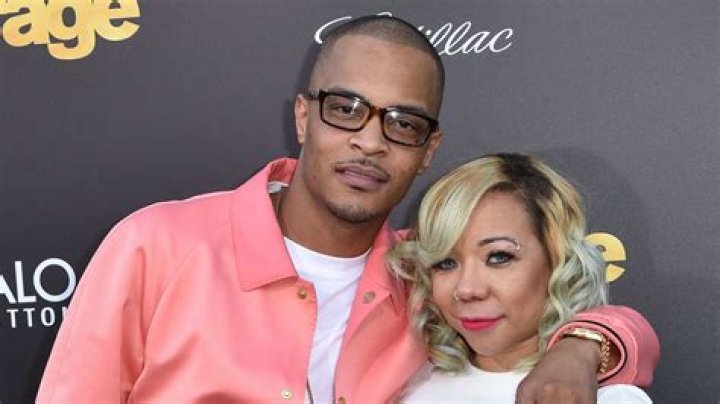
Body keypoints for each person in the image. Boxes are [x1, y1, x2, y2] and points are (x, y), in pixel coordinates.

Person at [37, 15, 658, 403]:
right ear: (303, 117)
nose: (370, 140)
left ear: (427, 150)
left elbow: (616, 322)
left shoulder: (426, 275)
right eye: (345, 109)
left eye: (402, 122)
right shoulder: (156, 244)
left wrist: (581, 346)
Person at [390, 153, 657, 402]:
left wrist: (583, 346)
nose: (467, 289)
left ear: (557, 258)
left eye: (498, 257)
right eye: (445, 263)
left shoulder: (604, 397)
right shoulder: (408, 383)